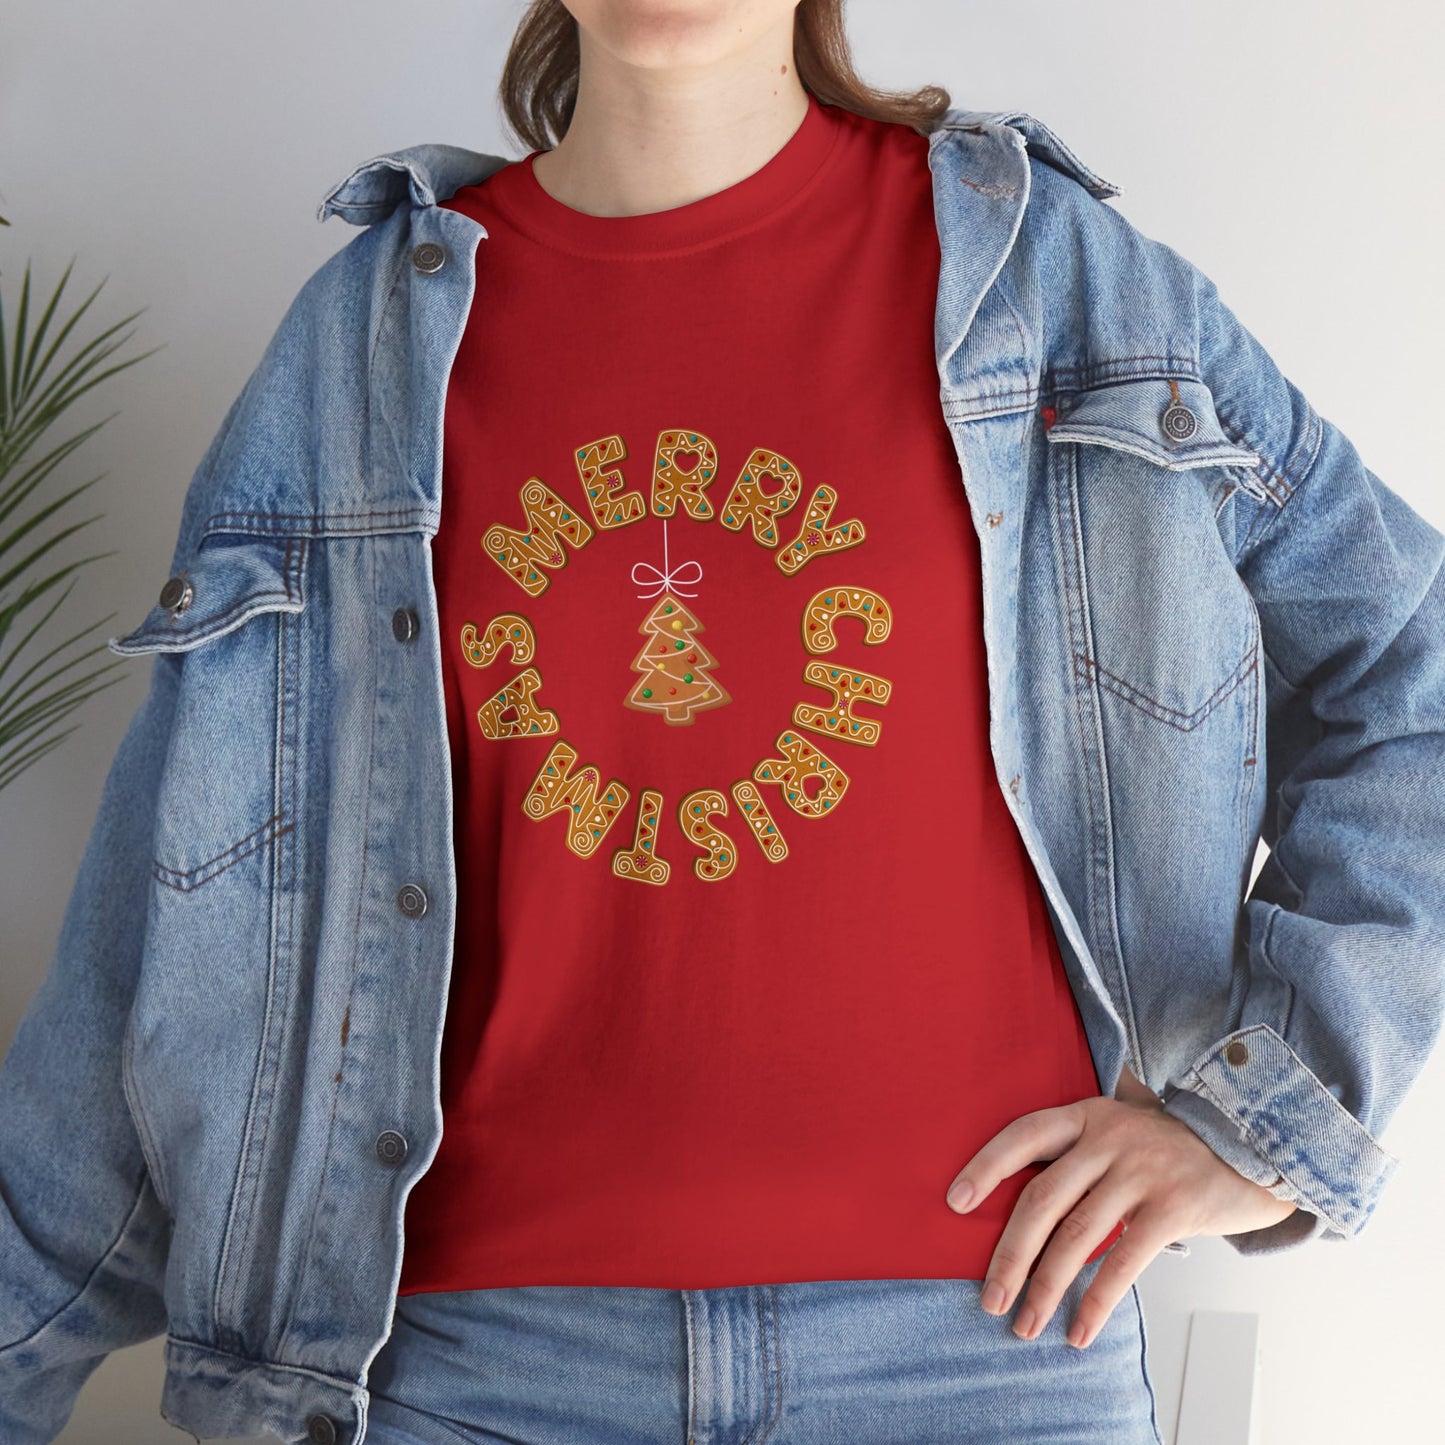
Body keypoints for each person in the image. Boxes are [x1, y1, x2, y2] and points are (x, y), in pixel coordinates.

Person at [3, 2, 1442, 1442]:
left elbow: (1408, 669)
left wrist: (1269, 1124)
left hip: (984, 1349)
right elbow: (173, 921)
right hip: (471, 1370)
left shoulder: (1059, 288)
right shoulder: (357, 346)